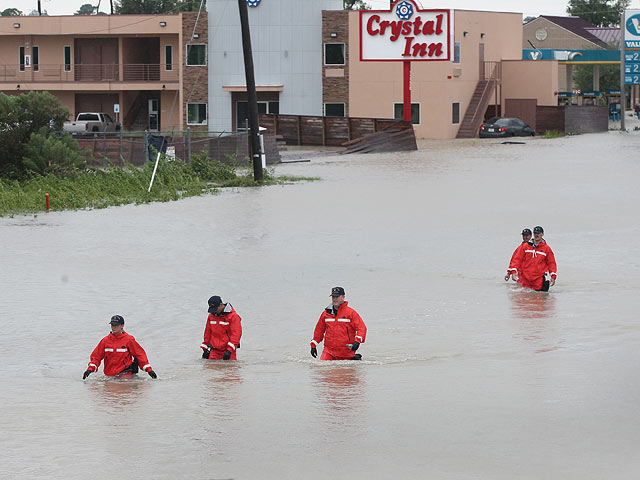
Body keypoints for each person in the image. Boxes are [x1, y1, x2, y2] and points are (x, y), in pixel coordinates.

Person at [83, 315, 157, 379]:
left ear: (122, 325)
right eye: (112, 325)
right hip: (109, 375)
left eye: (116, 325)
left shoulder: (129, 339)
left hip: (125, 374)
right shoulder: (105, 341)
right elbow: (96, 357)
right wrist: (90, 369)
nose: (113, 327)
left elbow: (140, 355)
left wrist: (149, 370)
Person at [310, 287, 367, 360]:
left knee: (344, 370)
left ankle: (355, 358)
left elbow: (361, 328)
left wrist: (357, 342)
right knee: (322, 369)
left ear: (343, 297)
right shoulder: (325, 314)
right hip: (328, 351)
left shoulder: (351, 313)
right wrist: (313, 345)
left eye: (337, 297)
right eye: (333, 297)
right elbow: (319, 331)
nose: (334, 299)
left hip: (346, 352)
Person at [510, 226, 557, 291]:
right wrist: (513, 271)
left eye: (538, 233)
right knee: (522, 298)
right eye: (535, 233)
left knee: (538, 298)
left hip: (538, 279)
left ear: (542, 234)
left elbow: (551, 263)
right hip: (525, 278)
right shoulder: (525, 246)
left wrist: (553, 276)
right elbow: (517, 259)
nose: (536, 235)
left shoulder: (547, 248)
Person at [200, 296, 242, 360]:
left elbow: (236, 335)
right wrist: (205, 349)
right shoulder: (211, 316)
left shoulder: (233, 317)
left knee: (230, 369)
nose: (214, 312)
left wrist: (229, 350)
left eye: (215, 309)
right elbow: (207, 333)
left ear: (221, 305)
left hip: (228, 351)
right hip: (213, 351)